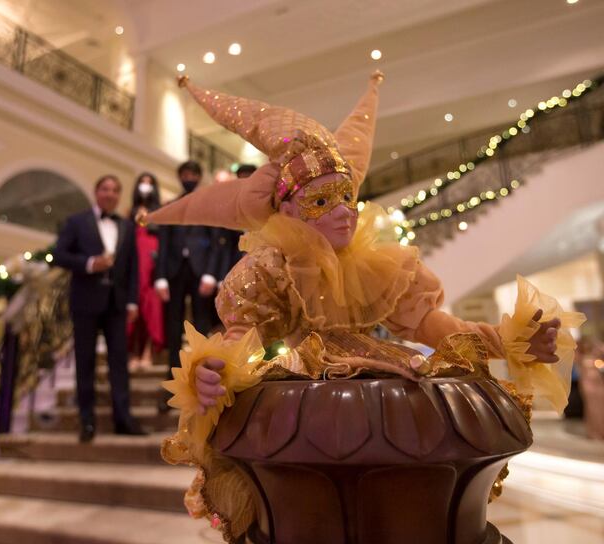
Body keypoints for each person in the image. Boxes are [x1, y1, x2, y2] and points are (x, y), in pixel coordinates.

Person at [146, 73, 585, 540]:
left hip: (374, 379)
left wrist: (507, 340)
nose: (343, 211)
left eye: (347, 196)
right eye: (321, 199)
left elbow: (431, 324)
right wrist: (217, 367)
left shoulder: (372, 263)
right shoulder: (267, 269)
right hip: (293, 389)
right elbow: (242, 338)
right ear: (288, 211)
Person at [54, 175, 146, 442]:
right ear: (96, 192)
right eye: (105, 189)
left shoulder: (128, 226)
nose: (111, 194)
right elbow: (59, 254)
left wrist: (131, 301)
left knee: (119, 361)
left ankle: (123, 419)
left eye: (116, 190)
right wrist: (89, 263)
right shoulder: (76, 222)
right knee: (85, 361)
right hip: (85, 301)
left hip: (116, 304)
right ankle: (87, 420)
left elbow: (132, 267)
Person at [154, 160, 220, 411]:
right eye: (185, 174)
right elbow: (162, 244)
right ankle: (173, 385)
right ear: (180, 177)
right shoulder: (170, 205)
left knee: (201, 327)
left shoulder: (207, 204)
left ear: (199, 176)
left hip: (200, 271)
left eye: (193, 173)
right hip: (173, 273)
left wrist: (211, 275)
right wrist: (160, 277)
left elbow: (215, 241)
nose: (189, 177)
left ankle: (200, 382)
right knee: (173, 330)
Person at [127, 172, 165, 371]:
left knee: (152, 307)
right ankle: (133, 351)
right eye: (142, 182)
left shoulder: (159, 210)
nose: (145, 186)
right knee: (135, 306)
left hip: (152, 258)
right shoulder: (129, 211)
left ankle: (148, 351)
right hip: (135, 258)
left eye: (150, 183)